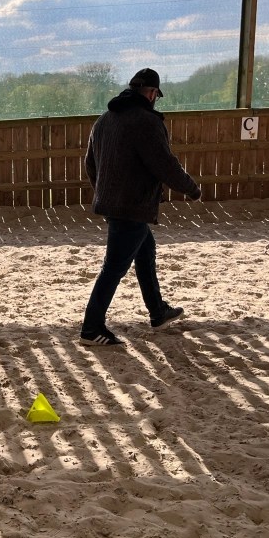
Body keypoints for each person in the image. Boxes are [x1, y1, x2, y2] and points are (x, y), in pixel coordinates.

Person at [79, 68, 202, 346]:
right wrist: (191, 189)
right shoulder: (146, 121)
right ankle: (91, 328)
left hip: (113, 204)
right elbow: (165, 164)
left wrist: (103, 193)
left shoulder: (105, 119)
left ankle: (158, 312)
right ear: (152, 93)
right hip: (133, 205)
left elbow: (90, 162)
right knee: (114, 267)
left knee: (146, 252)